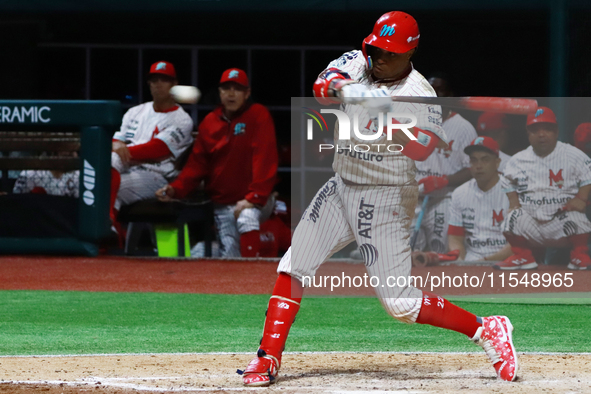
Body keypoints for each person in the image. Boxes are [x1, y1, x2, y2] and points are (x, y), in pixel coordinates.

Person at [238, 11, 518, 387]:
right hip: (342, 185)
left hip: (386, 196)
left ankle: (487, 329)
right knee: (293, 266)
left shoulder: (421, 95)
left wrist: (387, 120)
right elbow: (322, 86)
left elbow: (422, 150)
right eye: (375, 49)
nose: (379, 58)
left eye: (388, 53)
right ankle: (267, 358)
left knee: (400, 304)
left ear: (409, 52)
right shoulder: (358, 62)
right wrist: (350, 89)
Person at [155, 68, 278, 258]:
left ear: (247, 93)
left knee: (247, 219)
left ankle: (257, 276)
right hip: (223, 202)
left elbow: (265, 159)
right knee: (230, 255)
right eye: (226, 88)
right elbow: (197, 166)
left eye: (237, 89)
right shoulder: (210, 122)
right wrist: (175, 189)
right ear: (219, 93)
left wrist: (254, 196)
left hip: (258, 199)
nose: (231, 94)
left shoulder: (258, 115)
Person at [497, 107, 591, 270]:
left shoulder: (572, 154)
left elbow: (588, 173)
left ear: (556, 131)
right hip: (532, 222)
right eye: (535, 130)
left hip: (561, 221)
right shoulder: (518, 160)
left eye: (547, 129)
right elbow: (507, 181)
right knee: (511, 219)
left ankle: (579, 255)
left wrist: (582, 198)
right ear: (528, 134)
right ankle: (523, 256)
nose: (541, 134)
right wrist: (513, 202)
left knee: (578, 219)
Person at [109, 61, 194, 231]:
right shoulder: (136, 111)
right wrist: (115, 145)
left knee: (107, 187)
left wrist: (121, 149)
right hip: (126, 169)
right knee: (108, 167)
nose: (158, 85)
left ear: (174, 85)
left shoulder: (182, 120)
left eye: (164, 80)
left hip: (155, 175)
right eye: (154, 80)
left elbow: (158, 149)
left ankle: (108, 230)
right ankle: (110, 230)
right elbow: (115, 141)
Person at [413, 73, 478, 253]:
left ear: (450, 96)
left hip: (444, 198)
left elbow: (472, 168)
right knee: (409, 251)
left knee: (439, 249)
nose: (435, 95)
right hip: (412, 198)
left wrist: (443, 181)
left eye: (440, 91)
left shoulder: (463, 127)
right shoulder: (412, 121)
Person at [448, 137, 511, 261]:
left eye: (485, 160)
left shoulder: (512, 192)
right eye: (474, 160)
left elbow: (519, 244)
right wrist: (460, 261)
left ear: (497, 163)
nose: (479, 166)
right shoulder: (460, 193)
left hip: (506, 261)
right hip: (472, 261)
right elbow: (455, 237)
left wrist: (484, 262)